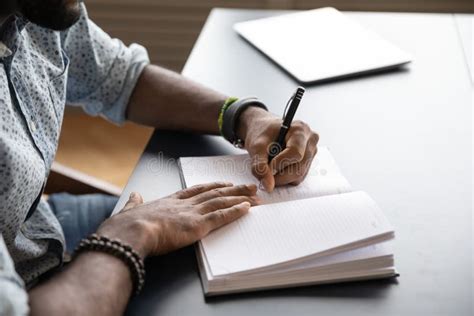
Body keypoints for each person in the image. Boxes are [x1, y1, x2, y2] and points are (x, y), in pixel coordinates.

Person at [0, 0, 319, 315]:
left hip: (38, 227)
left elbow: (122, 79)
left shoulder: (37, 10)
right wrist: (129, 234)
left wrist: (243, 116)